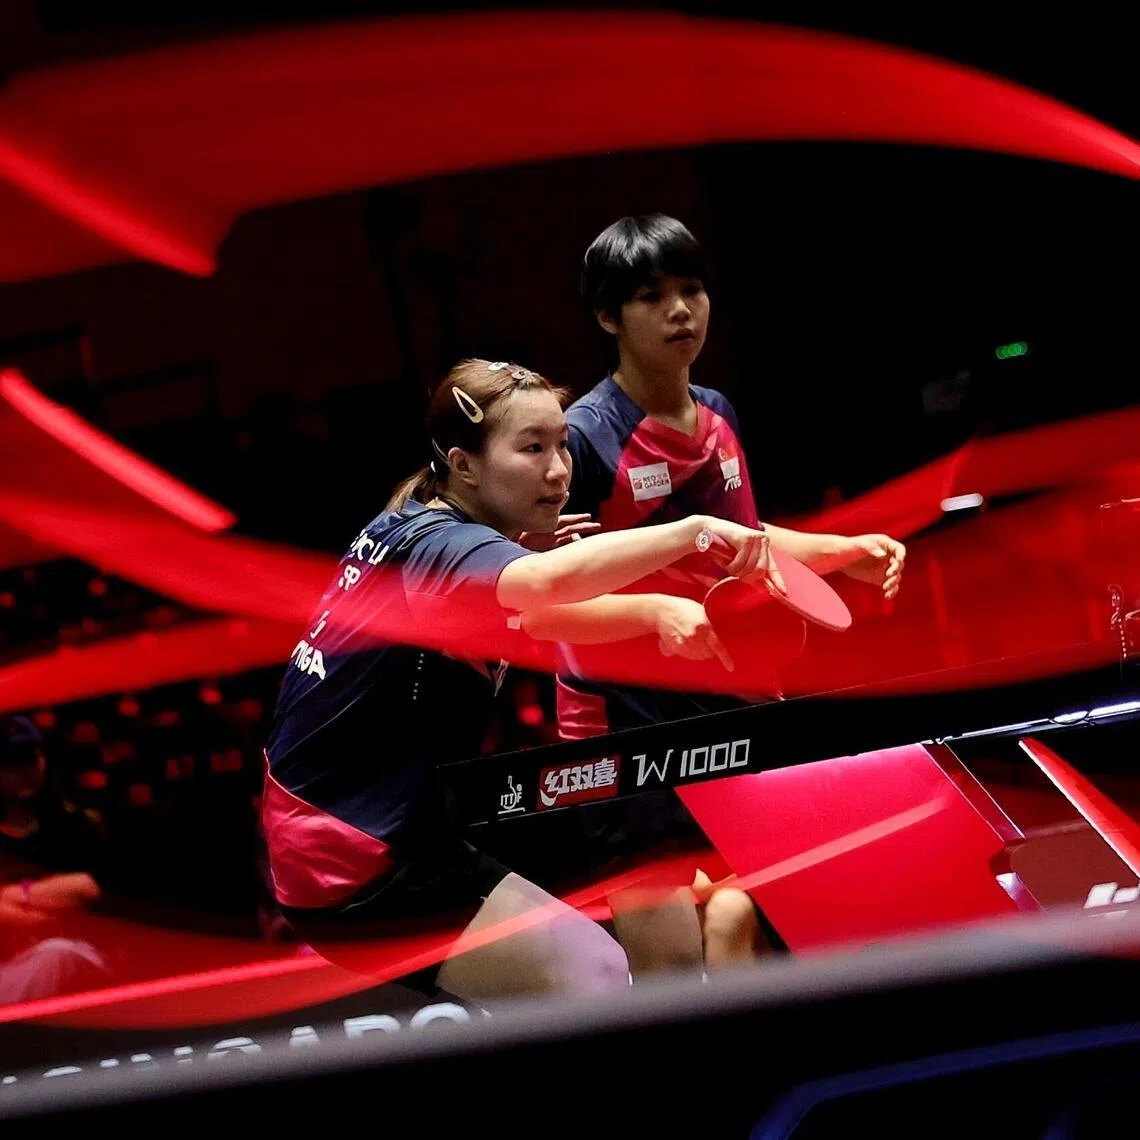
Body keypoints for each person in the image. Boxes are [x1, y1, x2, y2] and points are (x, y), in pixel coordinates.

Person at [260, 359, 780, 1008]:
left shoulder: (429, 533)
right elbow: (544, 589)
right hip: (356, 858)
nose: (559, 469)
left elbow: (543, 612)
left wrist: (654, 611)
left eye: (562, 444)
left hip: (387, 837)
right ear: (464, 464)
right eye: (532, 448)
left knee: (588, 973)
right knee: (591, 973)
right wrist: (690, 534)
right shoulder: (439, 547)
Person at [556, 215, 909, 970]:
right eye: (653, 296)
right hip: (627, 730)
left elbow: (743, 536)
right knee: (670, 970)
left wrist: (839, 549)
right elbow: (551, 600)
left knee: (742, 916)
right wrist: (653, 614)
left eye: (692, 289)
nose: (682, 310)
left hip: (728, 702)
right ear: (608, 315)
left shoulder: (718, 414)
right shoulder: (584, 440)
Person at [0, 715, 114, 1002]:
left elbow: (89, 887)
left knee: (58, 952)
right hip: (9, 966)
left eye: (29, 760)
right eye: (10, 765)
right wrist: (55, 895)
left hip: (82, 952)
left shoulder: (77, 825)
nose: (23, 772)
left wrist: (15, 894)